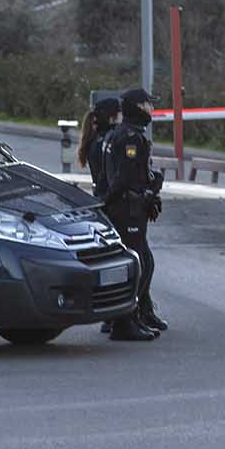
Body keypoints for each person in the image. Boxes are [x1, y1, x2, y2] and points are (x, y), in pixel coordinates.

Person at [104, 87, 165, 341]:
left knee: (143, 261)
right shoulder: (129, 137)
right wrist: (143, 195)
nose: (152, 109)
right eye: (149, 104)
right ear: (139, 107)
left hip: (130, 207)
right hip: (127, 209)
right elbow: (125, 178)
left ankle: (134, 315)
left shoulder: (126, 134)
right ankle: (122, 321)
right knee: (135, 264)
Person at [78, 96, 121, 199]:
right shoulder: (109, 140)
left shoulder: (95, 138)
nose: (123, 115)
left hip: (101, 195)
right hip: (109, 197)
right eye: (120, 112)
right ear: (111, 118)